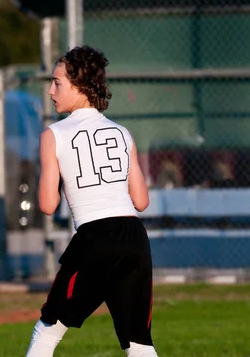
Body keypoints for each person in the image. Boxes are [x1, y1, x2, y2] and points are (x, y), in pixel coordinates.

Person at [25, 46, 158, 357]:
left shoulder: (53, 134)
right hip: (134, 238)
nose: (50, 90)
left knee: (47, 330)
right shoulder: (124, 134)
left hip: (95, 239)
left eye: (57, 82)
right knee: (138, 342)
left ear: (80, 86)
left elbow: (47, 204)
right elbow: (141, 201)